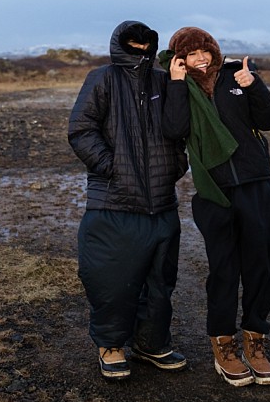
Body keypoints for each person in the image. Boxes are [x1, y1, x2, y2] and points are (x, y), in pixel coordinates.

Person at [68, 20, 190, 381]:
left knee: (159, 281)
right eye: (132, 43)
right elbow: (80, 129)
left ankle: (151, 344)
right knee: (111, 277)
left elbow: (178, 128)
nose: (139, 49)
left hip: (162, 201)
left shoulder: (162, 79)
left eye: (144, 43)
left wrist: (174, 165)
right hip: (115, 201)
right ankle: (111, 345)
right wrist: (113, 167)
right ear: (121, 44)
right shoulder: (102, 78)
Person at [159, 26, 270, 387]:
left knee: (261, 266)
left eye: (205, 51)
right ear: (180, 57)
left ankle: (255, 340)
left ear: (213, 50)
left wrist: (253, 85)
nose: (201, 58)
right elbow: (174, 129)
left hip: (256, 186)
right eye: (192, 53)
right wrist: (178, 85)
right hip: (215, 193)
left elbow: (268, 120)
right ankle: (224, 345)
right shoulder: (180, 85)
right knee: (224, 271)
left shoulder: (235, 75)